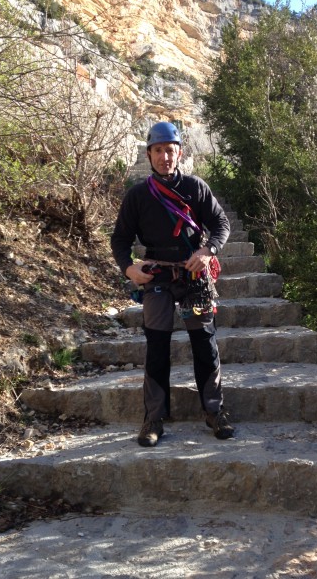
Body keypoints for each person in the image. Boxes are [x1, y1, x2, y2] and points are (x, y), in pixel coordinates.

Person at [111, 121, 233, 447]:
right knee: (157, 345)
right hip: (157, 277)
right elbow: (120, 239)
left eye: (170, 149)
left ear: (180, 152)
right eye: (159, 150)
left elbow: (220, 223)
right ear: (149, 154)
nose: (165, 156)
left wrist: (208, 251)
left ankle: (215, 411)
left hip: (195, 275)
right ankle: (153, 419)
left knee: (204, 342)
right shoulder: (138, 195)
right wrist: (128, 269)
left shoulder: (195, 188)